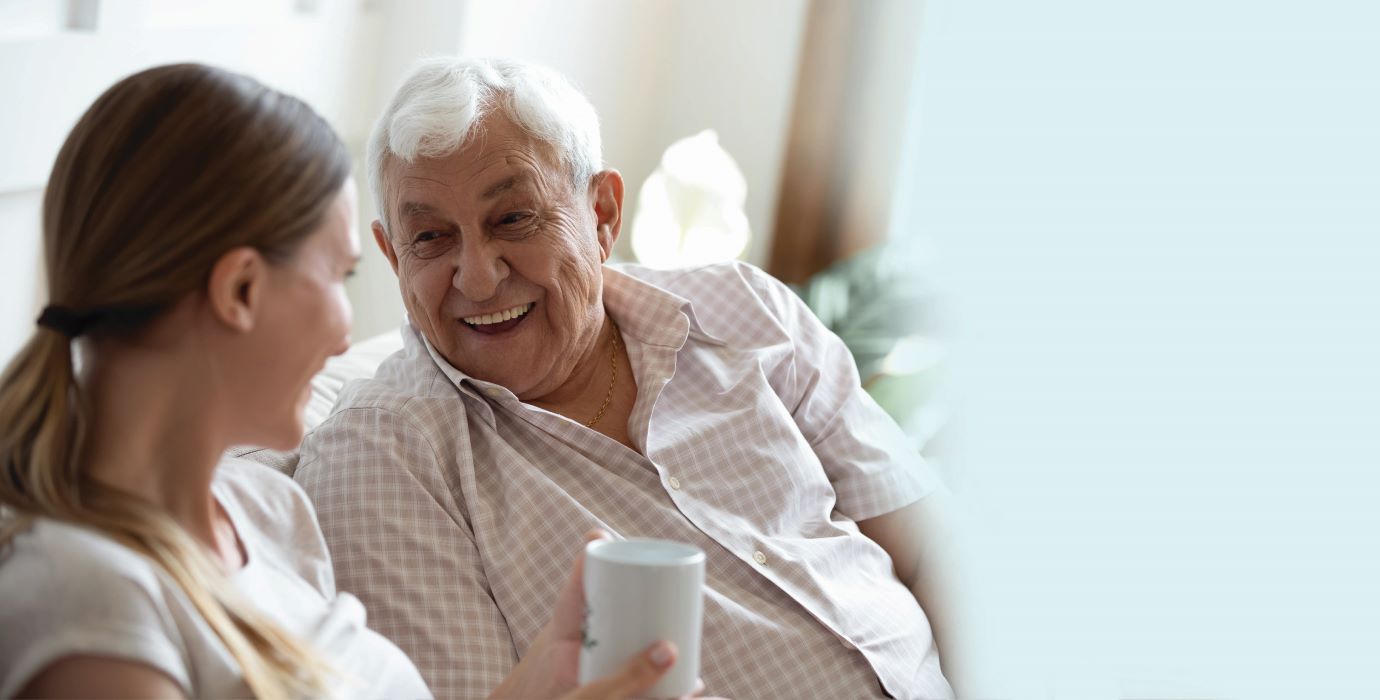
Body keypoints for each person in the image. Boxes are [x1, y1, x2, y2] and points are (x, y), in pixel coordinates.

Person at [0, 63, 696, 700]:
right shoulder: (92, 598)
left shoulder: (266, 513)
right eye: (343, 276)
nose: (345, 335)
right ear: (240, 290)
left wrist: (545, 679)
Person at [284, 57, 959, 699]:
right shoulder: (382, 458)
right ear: (390, 255)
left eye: (514, 219)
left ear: (603, 213)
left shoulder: (747, 310)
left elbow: (929, 553)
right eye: (431, 237)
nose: (479, 276)